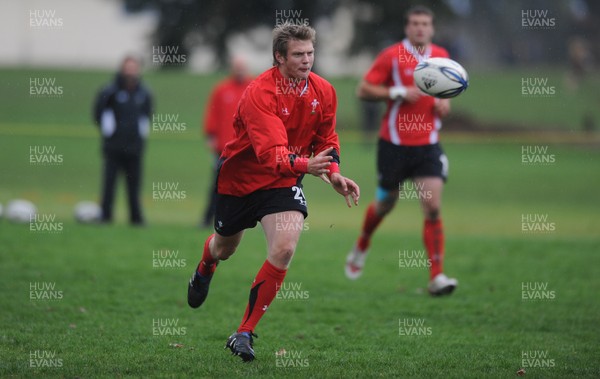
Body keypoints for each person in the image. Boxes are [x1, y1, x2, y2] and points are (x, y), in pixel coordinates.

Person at [187, 23, 360, 362]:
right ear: (279, 57)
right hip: (241, 180)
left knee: (283, 248)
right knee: (225, 248)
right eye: (298, 54)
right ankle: (206, 265)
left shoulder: (323, 91)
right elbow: (271, 155)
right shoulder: (259, 93)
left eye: (310, 53)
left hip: (283, 182)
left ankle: (244, 332)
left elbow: (327, 139)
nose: (307, 60)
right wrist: (307, 165)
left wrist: (334, 172)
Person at [345, 6, 458, 296]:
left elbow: (444, 96)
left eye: (425, 23)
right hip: (393, 146)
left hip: (428, 145)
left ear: (432, 28)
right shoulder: (392, 56)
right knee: (385, 204)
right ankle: (363, 243)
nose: (420, 28)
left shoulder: (442, 56)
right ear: (407, 28)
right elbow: (363, 89)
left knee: (432, 206)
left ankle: (437, 276)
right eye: (415, 23)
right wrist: (397, 93)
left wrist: (445, 104)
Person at [93, 56, 153, 225]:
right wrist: (109, 131)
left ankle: (136, 218)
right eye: (128, 67)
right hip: (113, 147)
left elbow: (148, 114)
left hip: (135, 147)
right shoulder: (109, 91)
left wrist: (141, 134)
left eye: (134, 67)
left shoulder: (144, 92)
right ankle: (105, 216)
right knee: (109, 184)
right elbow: (98, 113)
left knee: (134, 185)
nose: (131, 71)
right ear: (122, 69)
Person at [200, 56, 252, 228]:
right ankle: (208, 219)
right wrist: (211, 136)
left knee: (252, 185)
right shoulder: (221, 90)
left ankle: (251, 220)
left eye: (242, 67)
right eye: (237, 67)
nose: (240, 70)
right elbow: (212, 114)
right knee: (218, 185)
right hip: (224, 148)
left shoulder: (253, 88)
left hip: (248, 149)